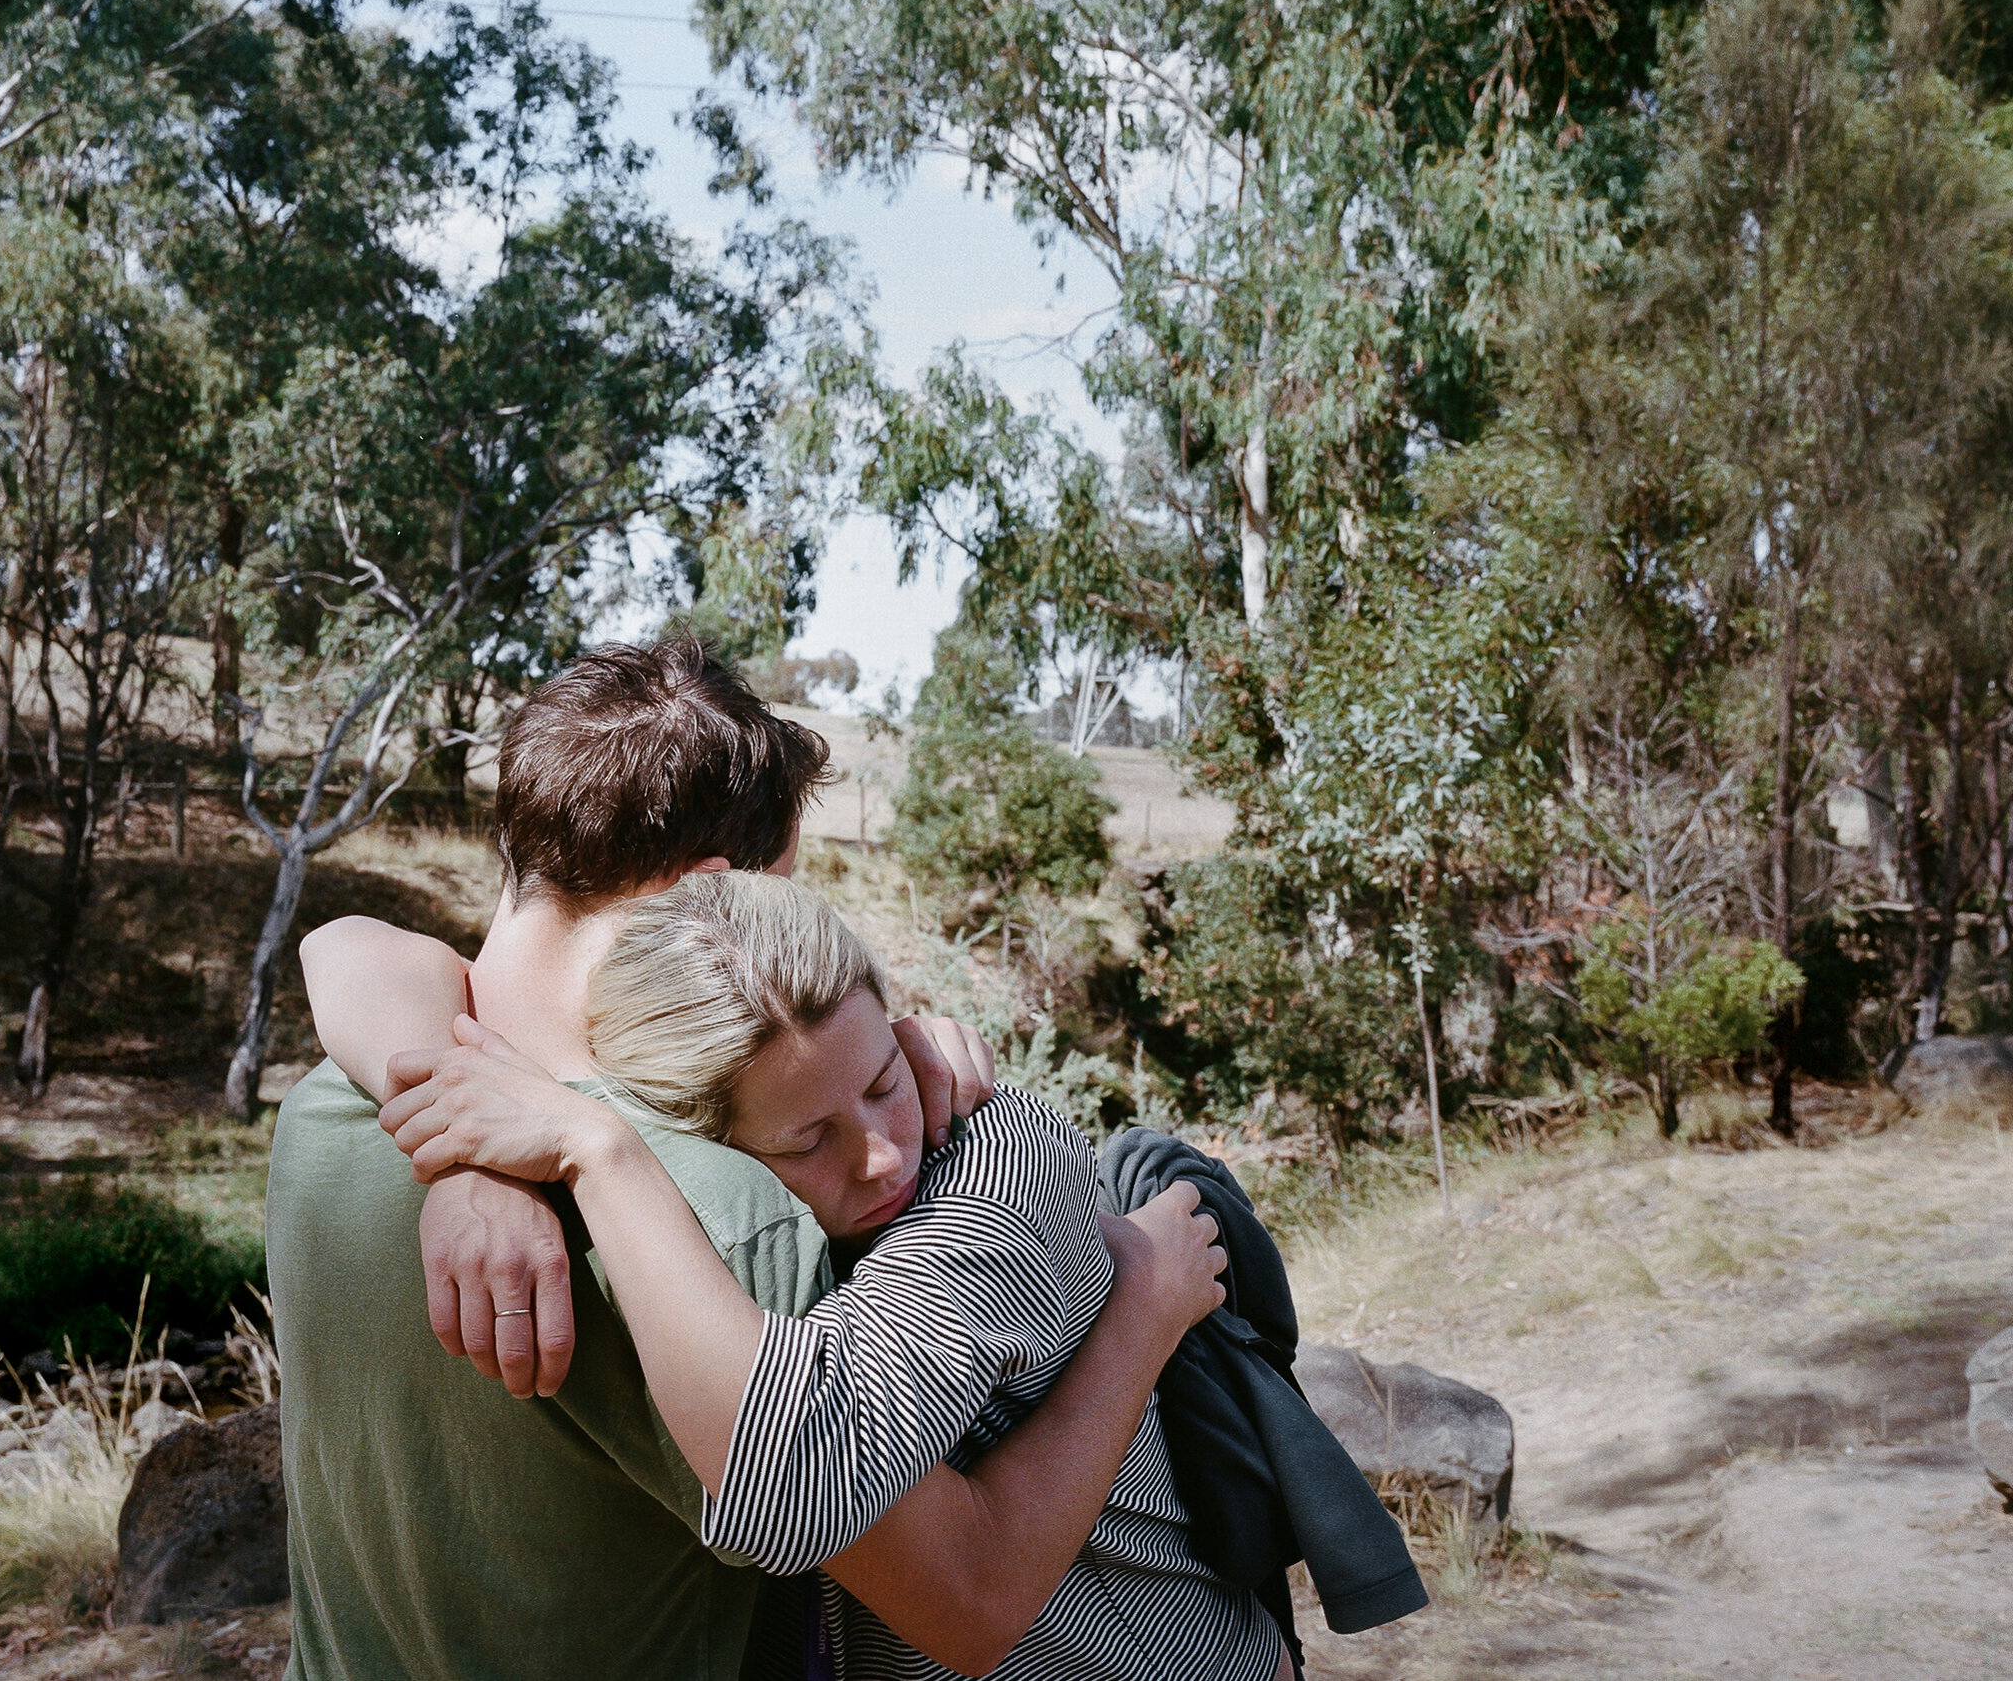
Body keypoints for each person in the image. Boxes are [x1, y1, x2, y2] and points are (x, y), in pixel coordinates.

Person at [271, 634, 1231, 1681]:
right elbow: (965, 1590)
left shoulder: (331, 1104)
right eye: (783, 896)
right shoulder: (718, 1209)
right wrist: (1141, 1304)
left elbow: (344, 941)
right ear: (707, 901)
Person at [370, 868, 1292, 1681]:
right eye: (809, 1138)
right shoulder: (733, 1206)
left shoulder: (995, 1168)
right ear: (706, 1145)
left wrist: (596, 1150)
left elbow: (793, 1485)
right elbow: (345, 949)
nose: (884, 1154)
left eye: (886, 1080)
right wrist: (472, 1170)